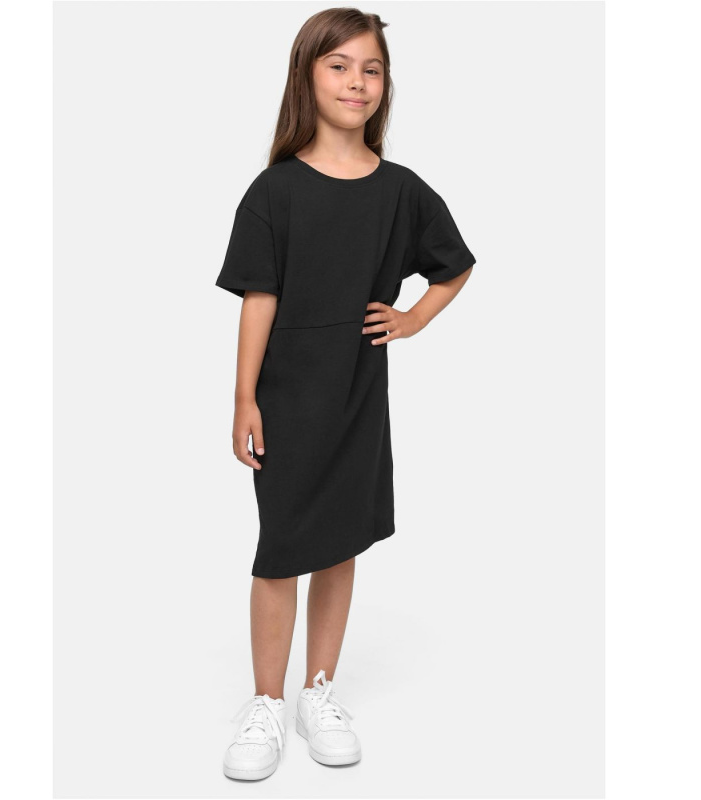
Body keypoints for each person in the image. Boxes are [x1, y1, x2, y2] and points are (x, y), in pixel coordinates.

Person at [216, 8, 476, 781]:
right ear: (307, 76)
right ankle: (266, 703)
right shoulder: (275, 191)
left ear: (385, 84)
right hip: (288, 396)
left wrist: (413, 318)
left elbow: (455, 265)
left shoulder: (400, 191)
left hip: (359, 392)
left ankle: (317, 693)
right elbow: (258, 296)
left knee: (339, 541)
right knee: (281, 548)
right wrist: (244, 397)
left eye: (371, 68)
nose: (357, 81)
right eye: (339, 66)